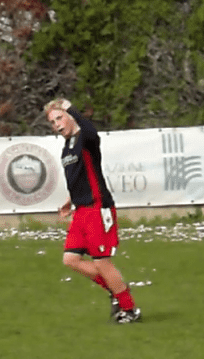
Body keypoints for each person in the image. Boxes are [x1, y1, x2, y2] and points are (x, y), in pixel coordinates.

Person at [44, 98, 141, 323]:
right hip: (81, 211)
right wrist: (69, 201)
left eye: (60, 118)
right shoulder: (67, 146)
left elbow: (90, 130)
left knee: (102, 262)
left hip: (98, 208)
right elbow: (79, 179)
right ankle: (115, 289)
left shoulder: (85, 139)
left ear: (70, 116)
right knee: (70, 259)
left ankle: (129, 309)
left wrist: (70, 108)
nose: (57, 124)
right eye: (52, 121)